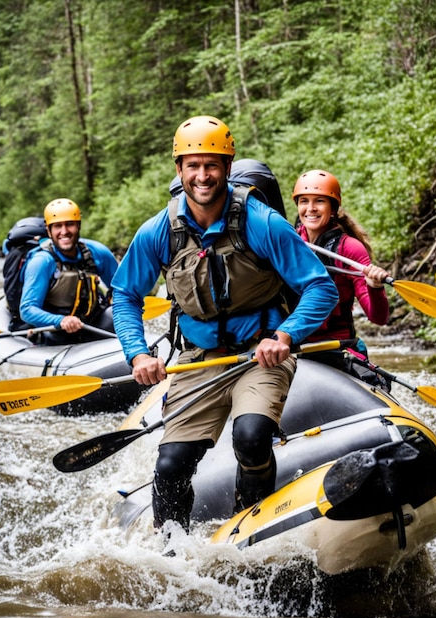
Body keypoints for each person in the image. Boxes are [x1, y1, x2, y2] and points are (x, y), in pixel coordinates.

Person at [112, 115, 339, 534]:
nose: (203, 175)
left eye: (212, 164)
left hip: (260, 354)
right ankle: (171, 555)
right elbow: (125, 296)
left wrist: (285, 336)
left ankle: (249, 527)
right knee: (170, 463)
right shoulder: (157, 232)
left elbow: (321, 289)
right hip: (198, 359)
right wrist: (138, 352)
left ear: (228, 168)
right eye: (193, 165)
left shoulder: (262, 222)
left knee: (251, 437)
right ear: (179, 170)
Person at [293, 169, 390, 372]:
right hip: (294, 347)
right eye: (304, 201)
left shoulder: (350, 248)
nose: (310, 209)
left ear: (333, 208)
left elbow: (378, 318)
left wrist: (374, 287)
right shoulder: (290, 241)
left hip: (337, 347)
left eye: (319, 201)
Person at [19, 198, 119, 344]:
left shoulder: (98, 252)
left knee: (117, 312)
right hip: (56, 331)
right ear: (49, 230)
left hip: (93, 323)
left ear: (78, 226)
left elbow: (122, 289)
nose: (64, 231)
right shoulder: (41, 261)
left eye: (69, 224)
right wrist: (61, 320)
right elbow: (27, 309)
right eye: (57, 226)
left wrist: (119, 302)